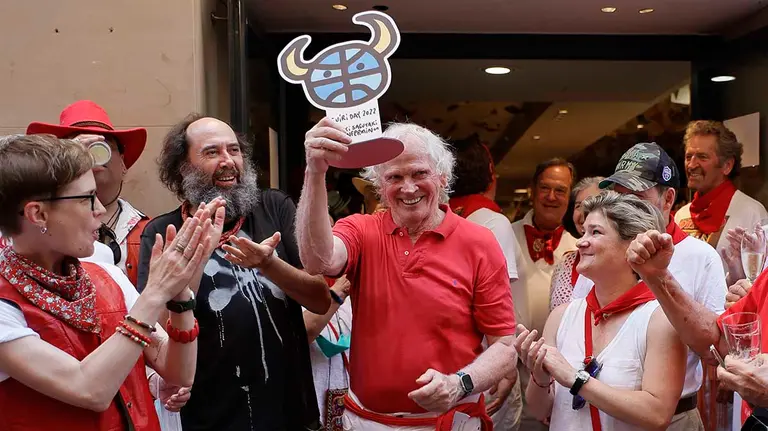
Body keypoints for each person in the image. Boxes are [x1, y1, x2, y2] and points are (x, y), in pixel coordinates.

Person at [296, 118, 518, 430]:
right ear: (380, 186)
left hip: (449, 421)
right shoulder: (361, 229)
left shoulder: (478, 243)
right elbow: (317, 259)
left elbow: (505, 348)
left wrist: (459, 383)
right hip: (368, 422)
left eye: (419, 173)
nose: (408, 187)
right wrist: (315, 171)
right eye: (395, 177)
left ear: (442, 177)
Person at [0, 134, 213, 430]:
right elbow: (89, 389)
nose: (100, 209)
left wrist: (180, 296)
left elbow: (177, 373)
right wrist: (154, 294)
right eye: (87, 198)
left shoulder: (105, 274)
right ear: (38, 213)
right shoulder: (3, 304)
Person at [137, 114, 330, 431]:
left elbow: (320, 300)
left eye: (234, 150)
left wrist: (268, 264)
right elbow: (157, 327)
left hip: (292, 413)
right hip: (213, 416)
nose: (228, 161)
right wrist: (197, 257)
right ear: (183, 167)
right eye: (212, 152)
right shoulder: (163, 231)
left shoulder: (274, 207)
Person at [572, 142, 726, 429]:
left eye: (636, 196)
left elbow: (715, 351)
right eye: (618, 195)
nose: (624, 205)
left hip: (675, 417)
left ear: (668, 199)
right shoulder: (599, 252)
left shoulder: (701, 257)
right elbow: (578, 325)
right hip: (601, 409)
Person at [516, 191, 687, 430]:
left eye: (595, 232)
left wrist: (575, 379)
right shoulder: (561, 317)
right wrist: (540, 375)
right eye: (583, 231)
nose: (580, 241)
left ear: (631, 244)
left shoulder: (659, 320)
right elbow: (539, 410)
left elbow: (658, 414)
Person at [27, 100, 152, 286]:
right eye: (80, 145)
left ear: (123, 164)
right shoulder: (34, 229)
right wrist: (66, 163)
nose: (90, 156)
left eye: (104, 146)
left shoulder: (151, 231)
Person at [449, 138, 521, 430]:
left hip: (452, 357)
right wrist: (505, 367)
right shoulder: (493, 222)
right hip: (483, 360)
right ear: (491, 172)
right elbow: (498, 303)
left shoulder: (439, 217)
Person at [674, 121, 767, 266]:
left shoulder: (752, 213)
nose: (691, 165)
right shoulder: (681, 215)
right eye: (688, 157)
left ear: (727, 166)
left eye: (702, 157)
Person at [510, 158, 578, 336]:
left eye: (560, 190)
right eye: (545, 188)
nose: (551, 197)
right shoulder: (506, 236)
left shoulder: (580, 247)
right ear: (532, 191)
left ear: (570, 197)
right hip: (511, 350)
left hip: (561, 352)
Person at [549, 176, 603, 310]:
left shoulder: (622, 262)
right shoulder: (565, 263)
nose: (583, 212)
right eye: (578, 205)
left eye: (591, 203)